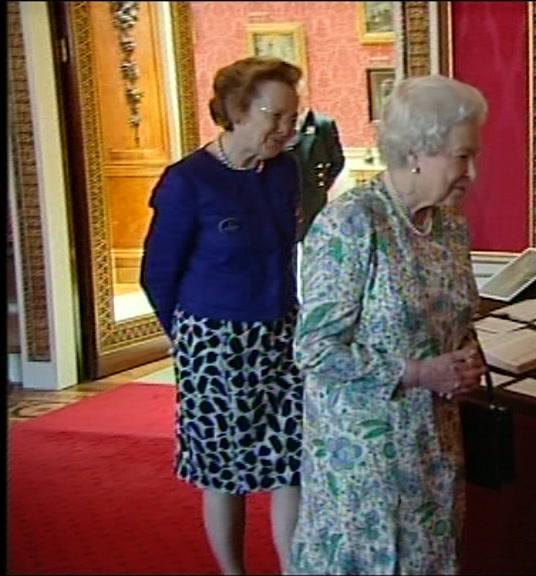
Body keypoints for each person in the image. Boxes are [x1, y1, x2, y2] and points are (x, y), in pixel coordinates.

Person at [288, 74, 488, 575]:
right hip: (362, 458)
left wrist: (466, 359)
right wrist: (420, 373)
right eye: (461, 156)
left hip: (433, 443)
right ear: (418, 150)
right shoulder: (351, 223)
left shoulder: (448, 222)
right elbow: (314, 349)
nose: (473, 172)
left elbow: (458, 316)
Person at [140, 56, 304, 574]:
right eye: (273, 116)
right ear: (235, 110)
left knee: (292, 463)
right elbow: (158, 274)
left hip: (281, 334)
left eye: (291, 117)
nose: (284, 128)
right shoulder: (188, 182)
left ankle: (293, 568)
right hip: (215, 343)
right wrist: (191, 339)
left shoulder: (284, 172)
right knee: (223, 471)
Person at [288, 80, 346, 243]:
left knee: (314, 242)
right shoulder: (281, 126)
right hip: (286, 195)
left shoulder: (322, 125)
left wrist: (320, 186)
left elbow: (337, 160)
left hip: (312, 197)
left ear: (305, 96)